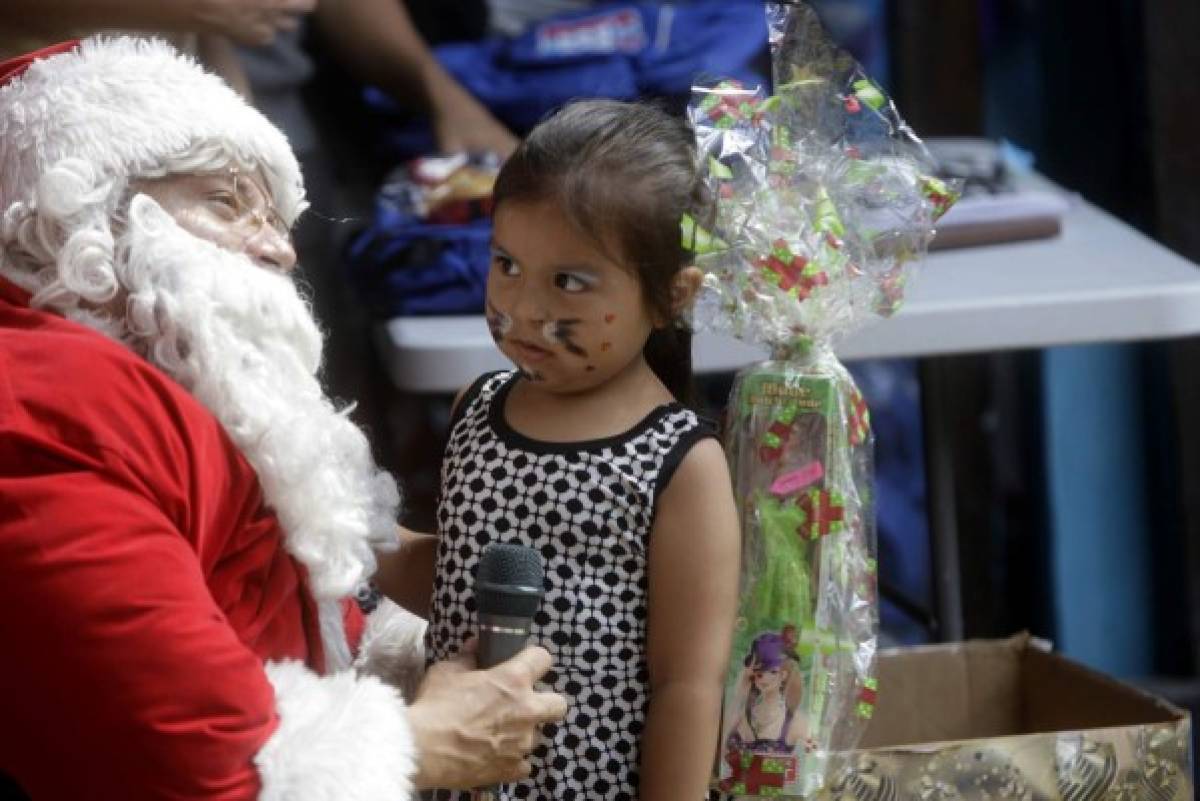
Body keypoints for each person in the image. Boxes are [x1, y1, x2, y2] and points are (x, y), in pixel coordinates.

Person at [0, 37, 565, 800]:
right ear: (80, 222)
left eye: (278, 217)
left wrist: (416, 653)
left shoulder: (160, 381)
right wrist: (423, 739)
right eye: (229, 203)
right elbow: (181, 756)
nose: (279, 251)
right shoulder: (54, 396)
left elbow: (277, 623)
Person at [376, 100, 742, 800]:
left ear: (672, 296)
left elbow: (686, 683)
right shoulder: (476, 407)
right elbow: (456, 574)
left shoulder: (681, 462)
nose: (523, 308)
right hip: (462, 770)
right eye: (507, 264)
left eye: (569, 281)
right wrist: (339, 529)